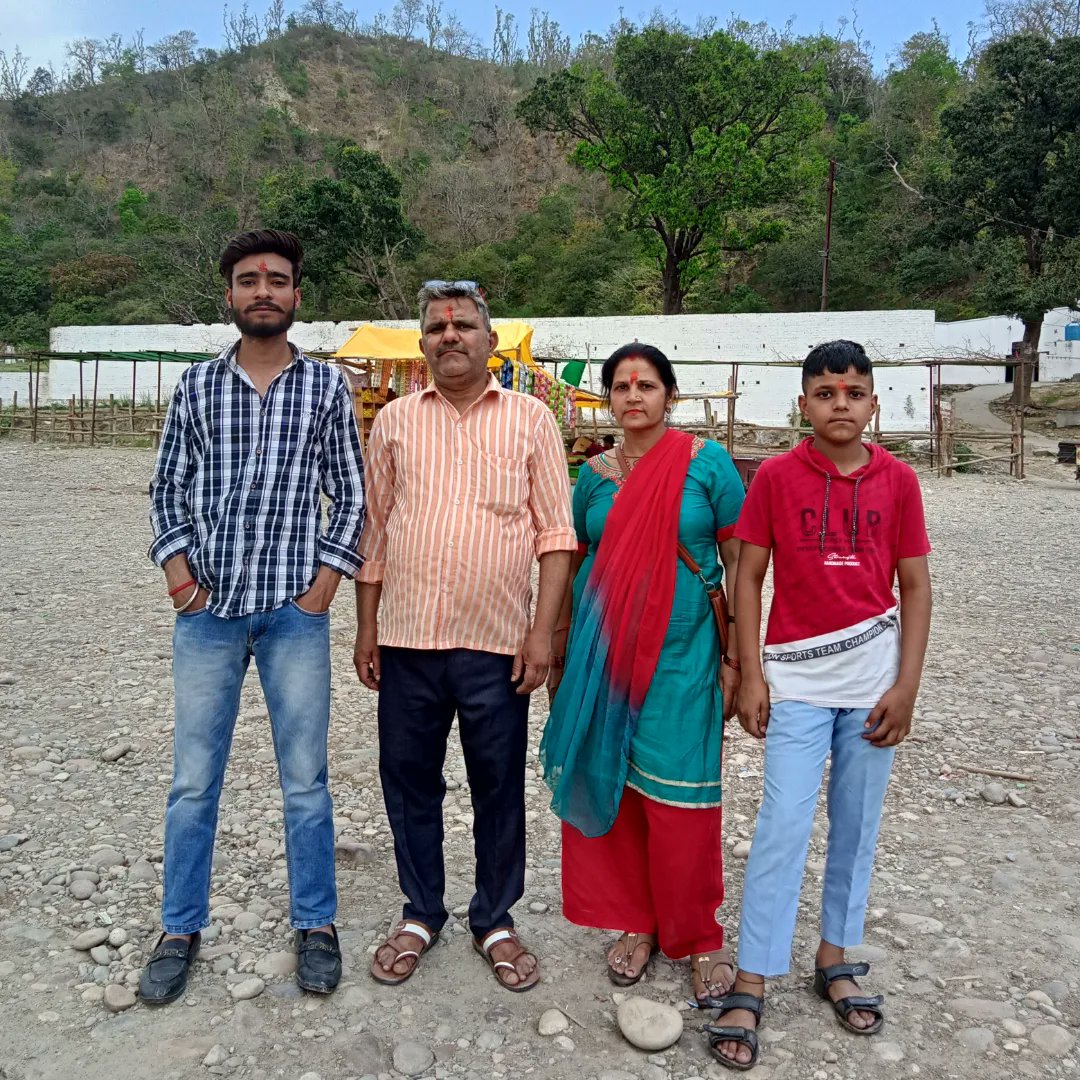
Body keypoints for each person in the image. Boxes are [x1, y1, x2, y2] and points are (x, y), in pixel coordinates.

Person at [141, 229, 366, 1004]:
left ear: (297, 294)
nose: (262, 290)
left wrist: (324, 586)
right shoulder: (197, 387)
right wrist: (181, 582)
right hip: (207, 614)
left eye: (276, 279)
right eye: (248, 279)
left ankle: (316, 924)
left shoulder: (326, 389)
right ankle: (179, 928)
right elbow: (167, 488)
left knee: (305, 781)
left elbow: (351, 493)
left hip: (293, 614)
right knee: (193, 782)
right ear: (229, 295)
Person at [708, 340, 932, 1070]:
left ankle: (835, 955)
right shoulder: (776, 477)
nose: (841, 404)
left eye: (854, 392)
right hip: (797, 681)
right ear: (803, 404)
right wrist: (751, 674)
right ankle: (752, 975)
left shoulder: (899, 481)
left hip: (871, 684)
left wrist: (906, 686)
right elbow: (748, 577)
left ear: (874, 404)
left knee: (857, 825)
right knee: (782, 826)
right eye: (826, 393)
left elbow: (915, 587)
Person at [354, 280, 574, 992]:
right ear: (423, 343)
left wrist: (541, 634)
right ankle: (421, 911)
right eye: (436, 327)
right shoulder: (394, 421)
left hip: (497, 643)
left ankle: (494, 918)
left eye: (463, 325)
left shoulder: (531, 419)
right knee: (408, 781)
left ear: (490, 340)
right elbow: (374, 531)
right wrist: (366, 627)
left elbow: (555, 535)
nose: (449, 335)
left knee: (498, 785)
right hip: (408, 639)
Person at [542, 344, 745, 1004]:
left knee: (684, 796)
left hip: (686, 654)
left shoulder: (706, 463)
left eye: (648, 385)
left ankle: (697, 933)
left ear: (670, 395)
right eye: (622, 386)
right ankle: (639, 920)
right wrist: (560, 649)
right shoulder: (593, 474)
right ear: (609, 398)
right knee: (620, 786)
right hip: (604, 657)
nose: (634, 396)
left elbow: (742, 563)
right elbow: (574, 559)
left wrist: (740, 660)